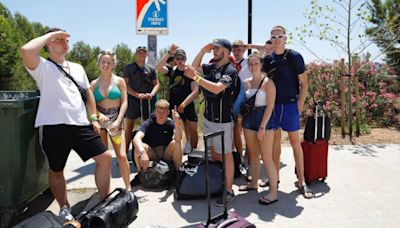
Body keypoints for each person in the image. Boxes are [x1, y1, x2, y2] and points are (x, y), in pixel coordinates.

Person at [20, 28, 112, 222]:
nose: (64, 43)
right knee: (56, 170)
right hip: (53, 127)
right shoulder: (41, 66)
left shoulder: (77, 67)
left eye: (65, 40)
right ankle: (64, 206)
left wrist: (94, 118)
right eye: (58, 40)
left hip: (80, 125)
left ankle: (105, 200)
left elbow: (88, 94)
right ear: (48, 44)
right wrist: (49, 35)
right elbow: (26, 50)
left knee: (104, 157)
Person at [262, 25, 313, 199]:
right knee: (275, 145)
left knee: (295, 143)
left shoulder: (294, 57)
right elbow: (263, 84)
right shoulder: (268, 60)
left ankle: (302, 181)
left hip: (291, 106)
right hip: (273, 107)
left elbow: (304, 83)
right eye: (273, 37)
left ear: (285, 38)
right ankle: (274, 179)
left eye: (279, 36)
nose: (276, 40)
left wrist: (300, 104)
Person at [188, 38, 238, 206]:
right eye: (213, 48)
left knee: (226, 154)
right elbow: (193, 67)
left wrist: (196, 78)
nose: (214, 51)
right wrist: (203, 50)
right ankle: (223, 177)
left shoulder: (230, 71)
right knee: (215, 153)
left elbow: (216, 88)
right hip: (208, 118)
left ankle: (229, 189)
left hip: (222, 120)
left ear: (227, 51)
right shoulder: (212, 67)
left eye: (218, 48)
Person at [237, 53, 278, 205]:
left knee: (266, 158)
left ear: (261, 64)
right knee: (253, 154)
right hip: (249, 121)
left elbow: (270, 106)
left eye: (256, 63)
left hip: (264, 120)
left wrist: (262, 127)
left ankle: (273, 192)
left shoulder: (268, 83)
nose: (253, 66)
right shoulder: (246, 83)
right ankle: (253, 183)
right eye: (251, 64)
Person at [90, 50, 131, 191]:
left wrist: (118, 121)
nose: (106, 65)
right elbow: (90, 105)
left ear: (113, 64)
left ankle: (128, 189)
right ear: (99, 63)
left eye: (109, 62)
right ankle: (104, 192)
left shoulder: (119, 81)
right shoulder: (93, 84)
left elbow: (125, 102)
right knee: (103, 159)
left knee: (122, 156)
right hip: (101, 124)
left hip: (116, 121)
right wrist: (99, 114)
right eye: (103, 62)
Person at [156, 44, 199, 155]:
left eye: (182, 58)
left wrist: (183, 104)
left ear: (185, 59)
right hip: (173, 105)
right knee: (173, 128)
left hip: (187, 105)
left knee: (193, 130)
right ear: (174, 59)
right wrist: (169, 53)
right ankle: (172, 149)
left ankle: (192, 150)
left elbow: (195, 91)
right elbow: (159, 67)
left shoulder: (190, 71)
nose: (180, 60)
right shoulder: (172, 70)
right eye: (177, 58)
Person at [123, 46, 159, 157]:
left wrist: (152, 94)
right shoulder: (129, 68)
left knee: (148, 126)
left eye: (144, 53)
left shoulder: (151, 69)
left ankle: (147, 151)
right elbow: (125, 85)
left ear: (147, 55)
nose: (142, 55)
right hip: (132, 100)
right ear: (136, 54)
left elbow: (157, 84)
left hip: (147, 101)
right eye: (139, 52)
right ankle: (124, 154)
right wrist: (136, 94)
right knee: (129, 126)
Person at [133, 99, 183, 172]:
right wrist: (143, 152)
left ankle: (177, 172)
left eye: (164, 112)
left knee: (177, 143)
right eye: (159, 112)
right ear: (155, 112)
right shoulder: (148, 123)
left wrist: (177, 124)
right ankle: (140, 173)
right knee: (139, 147)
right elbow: (136, 138)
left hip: (166, 154)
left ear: (168, 113)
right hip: (152, 154)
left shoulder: (171, 123)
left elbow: (179, 138)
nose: (161, 114)